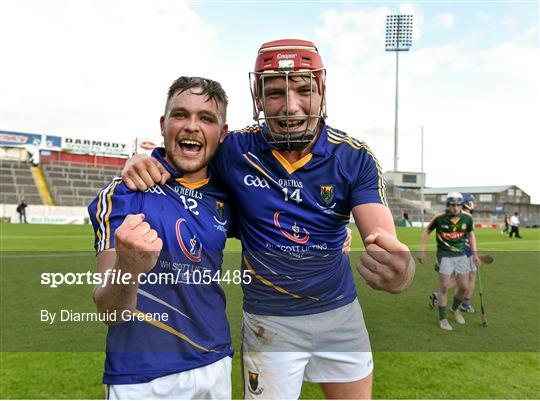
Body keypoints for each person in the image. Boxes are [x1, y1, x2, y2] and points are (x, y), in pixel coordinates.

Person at [122, 39, 415, 399]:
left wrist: (400, 271)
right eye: (275, 92)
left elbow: (385, 242)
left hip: (341, 313)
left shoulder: (353, 157)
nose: (290, 106)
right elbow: (181, 152)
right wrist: (141, 159)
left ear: (322, 91)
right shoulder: (234, 149)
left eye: (303, 89)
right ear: (258, 98)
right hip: (269, 322)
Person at [88, 76, 234, 399]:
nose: (191, 126)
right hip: (142, 377)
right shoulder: (125, 192)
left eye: (206, 118)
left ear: (222, 134)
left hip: (215, 364)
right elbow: (109, 311)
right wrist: (128, 267)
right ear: (163, 124)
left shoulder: (227, 194)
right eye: (180, 114)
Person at [418, 192, 480, 331]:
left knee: (463, 286)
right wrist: (422, 251)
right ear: (448, 205)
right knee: (444, 287)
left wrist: (475, 255)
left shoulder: (467, 218)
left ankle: (454, 309)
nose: (456, 208)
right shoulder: (439, 217)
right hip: (444, 255)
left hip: (461, 255)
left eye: (458, 205)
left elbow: (470, 235)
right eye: (453, 205)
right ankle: (442, 319)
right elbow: (427, 231)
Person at [428, 194, 478, 313]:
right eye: (472, 202)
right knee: (470, 277)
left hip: (456, 251)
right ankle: (465, 304)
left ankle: (439, 294)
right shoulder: (466, 216)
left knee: (459, 279)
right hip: (463, 251)